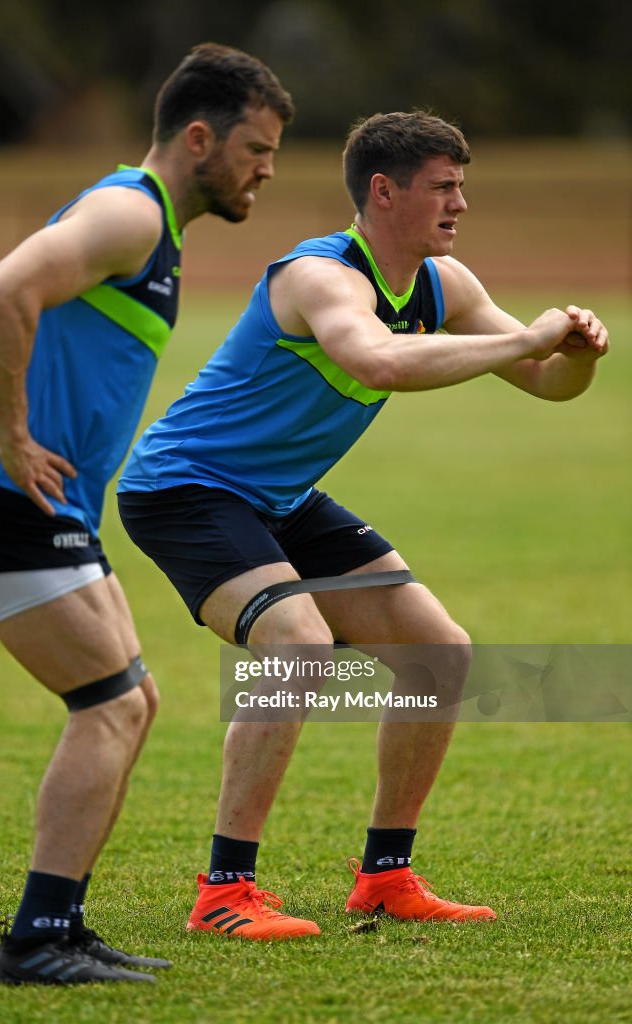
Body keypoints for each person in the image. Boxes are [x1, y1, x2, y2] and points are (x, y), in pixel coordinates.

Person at [117, 110, 609, 940]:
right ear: (385, 191)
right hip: (186, 488)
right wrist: (527, 340)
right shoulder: (319, 277)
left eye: (462, 187)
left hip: (278, 495)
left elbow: (546, 383)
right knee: (298, 648)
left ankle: (385, 876)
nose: (460, 205)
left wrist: (577, 360)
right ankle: (224, 892)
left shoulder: (446, 284)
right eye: (443, 188)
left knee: (439, 654)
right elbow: (376, 359)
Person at [0, 43, 294, 983]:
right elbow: (2, 290)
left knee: (133, 701)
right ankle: (37, 941)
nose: (267, 168)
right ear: (199, 137)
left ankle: (61, 928)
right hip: (3, 489)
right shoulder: (131, 211)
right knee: (110, 704)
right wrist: (11, 440)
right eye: (255, 147)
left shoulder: (152, 226)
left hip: (42, 498)